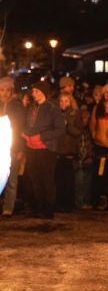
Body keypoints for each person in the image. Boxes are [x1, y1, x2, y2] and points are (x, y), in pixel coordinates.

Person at [22, 81, 65, 219]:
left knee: (47, 179)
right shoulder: (32, 108)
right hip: (32, 148)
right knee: (35, 178)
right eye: (33, 91)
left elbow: (60, 129)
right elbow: (28, 124)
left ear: (43, 93)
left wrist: (42, 136)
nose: (33, 94)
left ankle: (48, 209)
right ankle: (38, 207)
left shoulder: (53, 108)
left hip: (46, 149)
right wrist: (25, 134)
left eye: (36, 91)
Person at [0, 77, 25, 216]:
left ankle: (8, 208)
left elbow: (20, 128)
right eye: (2, 90)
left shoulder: (16, 106)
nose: (4, 93)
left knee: (11, 179)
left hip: (12, 148)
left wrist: (20, 149)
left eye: (7, 90)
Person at [56, 93, 83, 212]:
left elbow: (78, 132)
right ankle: (59, 203)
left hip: (69, 150)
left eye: (66, 101)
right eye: (61, 101)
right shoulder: (55, 114)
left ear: (70, 102)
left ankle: (69, 204)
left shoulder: (75, 114)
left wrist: (67, 126)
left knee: (69, 180)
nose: (63, 103)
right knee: (59, 179)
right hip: (57, 151)